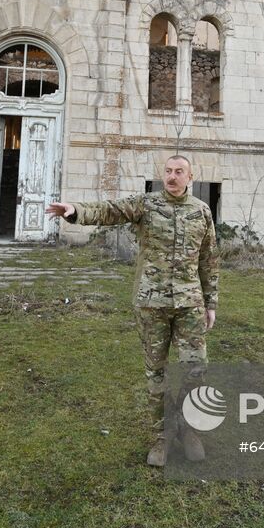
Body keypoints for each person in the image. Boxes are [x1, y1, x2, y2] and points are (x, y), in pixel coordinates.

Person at [46, 154, 218, 467]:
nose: (172, 177)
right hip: (151, 303)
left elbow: (208, 260)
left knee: (197, 369)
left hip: (189, 305)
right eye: (167, 171)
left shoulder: (201, 211)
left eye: (179, 172)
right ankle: (163, 435)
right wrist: (75, 212)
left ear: (190, 177)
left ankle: (187, 429)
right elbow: (110, 211)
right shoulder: (146, 204)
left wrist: (211, 302)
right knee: (157, 374)